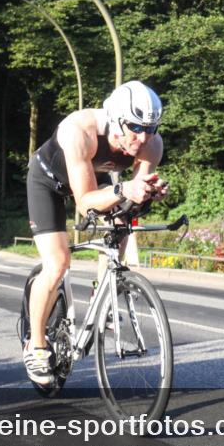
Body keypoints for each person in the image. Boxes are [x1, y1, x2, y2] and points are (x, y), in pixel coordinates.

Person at [24, 80, 169, 385]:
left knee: (123, 219)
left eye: (150, 128)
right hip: (48, 182)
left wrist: (147, 194)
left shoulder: (152, 145)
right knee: (58, 264)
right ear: (116, 120)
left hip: (93, 178)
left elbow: (132, 197)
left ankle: (103, 293)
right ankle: (35, 346)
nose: (143, 137)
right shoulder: (80, 130)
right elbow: (85, 202)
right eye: (135, 127)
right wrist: (124, 189)